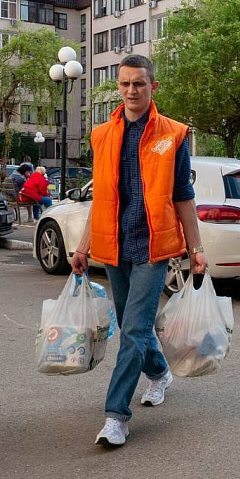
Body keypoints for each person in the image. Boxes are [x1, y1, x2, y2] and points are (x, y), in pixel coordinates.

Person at [70, 54, 207, 447]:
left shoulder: (173, 135)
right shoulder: (102, 135)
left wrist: (196, 249)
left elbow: (183, 196)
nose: (132, 90)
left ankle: (116, 416)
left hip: (153, 246)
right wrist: (83, 246)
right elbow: (101, 198)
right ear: (118, 86)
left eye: (139, 83)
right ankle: (159, 372)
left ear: (153, 87)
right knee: (134, 324)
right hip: (115, 246)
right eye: (125, 83)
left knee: (132, 329)